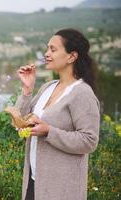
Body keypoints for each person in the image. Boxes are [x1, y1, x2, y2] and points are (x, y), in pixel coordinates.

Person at [15, 28, 100, 200]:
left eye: (53, 49)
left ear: (71, 56)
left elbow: (89, 141)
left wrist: (49, 132)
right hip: (34, 183)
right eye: (47, 49)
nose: (46, 54)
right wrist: (27, 90)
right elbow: (20, 122)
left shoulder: (82, 93)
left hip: (62, 189)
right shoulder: (47, 87)